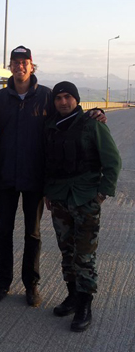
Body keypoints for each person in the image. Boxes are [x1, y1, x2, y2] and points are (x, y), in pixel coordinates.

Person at [44, 81, 121, 332]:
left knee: (84, 255)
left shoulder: (92, 124)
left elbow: (113, 161)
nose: (63, 102)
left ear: (76, 99)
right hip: (59, 198)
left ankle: (85, 303)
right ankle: (73, 295)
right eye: (58, 98)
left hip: (85, 198)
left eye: (68, 97)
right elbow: (46, 161)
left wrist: (102, 193)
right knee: (67, 251)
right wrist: (48, 192)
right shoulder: (51, 126)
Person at [0, 45, 54, 307]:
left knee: (33, 234)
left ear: (31, 65)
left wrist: (96, 115)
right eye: (15, 62)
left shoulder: (47, 97)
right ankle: (3, 282)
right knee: (4, 232)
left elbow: (69, 119)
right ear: (10, 66)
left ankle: (31, 285)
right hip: (5, 178)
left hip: (35, 179)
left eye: (24, 62)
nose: (20, 66)